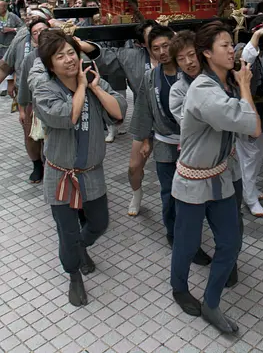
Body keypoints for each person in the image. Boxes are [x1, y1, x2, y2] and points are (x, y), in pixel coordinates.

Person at [170, 22, 261, 332]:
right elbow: (252, 126)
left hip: (220, 176)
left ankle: (211, 303)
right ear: (207, 53)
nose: (231, 50)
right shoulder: (203, 90)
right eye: (224, 45)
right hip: (193, 180)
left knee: (231, 242)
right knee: (187, 243)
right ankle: (179, 288)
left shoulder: (224, 84)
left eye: (231, 44)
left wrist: (240, 85)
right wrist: (245, 85)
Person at [29, 30, 127, 306]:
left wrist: (95, 87)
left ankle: (80, 248)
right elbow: (67, 116)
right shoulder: (45, 90)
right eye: (60, 56)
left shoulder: (93, 80)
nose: (69, 59)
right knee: (67, 231)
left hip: (91, 172)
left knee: (99, 223)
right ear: (50, 65)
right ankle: (74, 275)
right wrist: (82, 87)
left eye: (71, 52)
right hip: (60, 174)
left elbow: (119, 111)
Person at [127, 26, 210, 266]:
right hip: (165, 141)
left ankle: (191, 238)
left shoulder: (192, 71)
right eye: (156, 48)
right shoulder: (151, 77)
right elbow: (144, 109)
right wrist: (145, 138)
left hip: (193, 143)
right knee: (169, 192)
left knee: (193, 194)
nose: (162, 52)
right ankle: (174, 234)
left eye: (166, 46)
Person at [169, 28, 241, 286]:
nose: (188, 62)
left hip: (228, 166)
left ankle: (229, 265)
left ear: (202, 53)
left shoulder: (225, 79)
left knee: (233, 224)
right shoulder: (179, 90)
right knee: (189, 233)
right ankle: (179, 285)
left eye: (191, 55)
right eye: (181, 59)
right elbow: (197, 124)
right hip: (197, 171)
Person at [78, 19, 159, 214]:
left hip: (174, 122)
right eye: (151, 38)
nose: (158, 41)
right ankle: (137, 193)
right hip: (146, 119)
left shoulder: (177, 53)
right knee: (134, 167)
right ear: (142, 44)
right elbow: (107, 57)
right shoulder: (132, 57)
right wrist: (81, 45)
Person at [235, 16, 263, 216]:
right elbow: (245, 60)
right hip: (247, 106)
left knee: (258, 152)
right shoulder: (242, 48)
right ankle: (249, 197)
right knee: (248, 155)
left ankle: (249, 187)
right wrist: (257, 36)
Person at [17, 18, 50, 182]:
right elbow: (23, 86)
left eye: (43, 30)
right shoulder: (29, 58)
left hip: (56, 102)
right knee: (31, 136)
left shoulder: (63, 50)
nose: (39, 34)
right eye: (35, 33)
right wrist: (22, 110)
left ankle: (52, 164)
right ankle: (37, 165)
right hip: (34, 103)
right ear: (32, 38)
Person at [0, 0, 23, 96]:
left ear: (5, 7)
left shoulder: (13, 16)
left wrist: (12, 29)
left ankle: (10, 87)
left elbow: (22, 28)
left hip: (10, 45)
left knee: (9, 66)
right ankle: (2, 88)